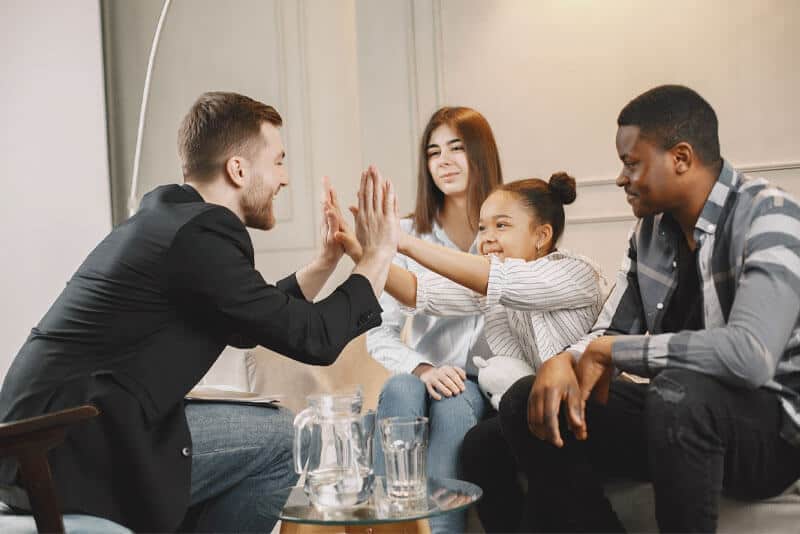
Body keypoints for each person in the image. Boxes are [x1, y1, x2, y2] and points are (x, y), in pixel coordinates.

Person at [0, 91, 400, 532]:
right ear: (239, 169)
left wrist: (326, 263)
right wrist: (377, 256)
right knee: (283, 438)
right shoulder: (200, 235)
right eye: (279, 160)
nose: (284, 179)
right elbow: (316, 339)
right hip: (70, 447)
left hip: (44, 443)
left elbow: (251, 320)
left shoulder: (173, 218)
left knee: (265, 433)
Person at [500, 85, 800, 532]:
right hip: (676, 416)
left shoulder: (770, 214)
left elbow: (750, 356)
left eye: (631, 163)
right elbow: (608, 331)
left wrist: (611, 352)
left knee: (679, 393)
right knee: (526, 399)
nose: (621, 178)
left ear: (680, 158)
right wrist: (566, 359)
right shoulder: (647, 235)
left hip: (770, 433)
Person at [337, 173, 604, 532]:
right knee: (479, 446)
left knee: (512, 416)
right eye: (482, 227)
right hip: (531, 411)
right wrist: (369, 252)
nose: (487, 237)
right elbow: (419, 291)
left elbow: (501, 281)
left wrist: (403, 242)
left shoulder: (574, 273)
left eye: (502, 225)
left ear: (542, 236)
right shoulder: (492, 289)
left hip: (582, 408)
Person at [360, 107, 502, 534]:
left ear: (481, 155)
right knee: (399, 387)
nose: (443, 160)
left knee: (454, 404)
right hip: (422, 375)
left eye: (457, 148)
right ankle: (387, 528)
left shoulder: (507, 229)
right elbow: (378, 332)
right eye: (433, 151)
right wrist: (422, 369)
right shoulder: (408, 234)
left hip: (478, 382)